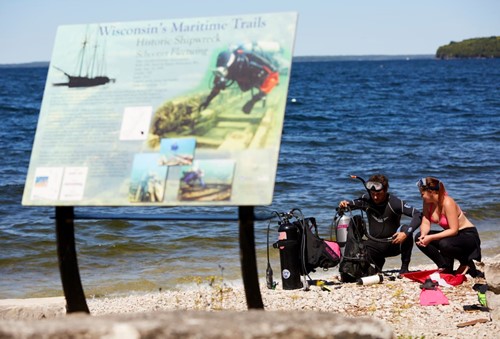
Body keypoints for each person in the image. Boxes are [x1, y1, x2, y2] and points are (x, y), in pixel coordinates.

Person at [339, 174, 422, 275]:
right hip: (374, 246)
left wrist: (405, 233)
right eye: (372, 193)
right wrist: (344, 205)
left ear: (386, 190)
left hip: (394, 244)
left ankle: (404, 268)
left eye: (379, 194)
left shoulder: (394, 202)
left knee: (406, 229)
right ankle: (376, 265)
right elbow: (351, 204)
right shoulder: (366, 199)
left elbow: (418, 214)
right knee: (355, 229)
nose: (375, 197)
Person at [414, 177, 482, 277]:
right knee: (418, 237)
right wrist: (424, 235)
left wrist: (431, 237)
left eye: (422, 194)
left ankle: (466, 262)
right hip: (452, 236)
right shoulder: (427, 203)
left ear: (431, 191)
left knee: (444, 244)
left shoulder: (447, 202)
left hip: (467, 236)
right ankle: (444, 266)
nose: (421, 196)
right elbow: (426, 221)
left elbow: (454, 230)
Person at [199, 46, 279, 114]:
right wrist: (207, 101)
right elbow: (217, 86)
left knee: (266, 85)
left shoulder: (251, 65)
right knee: (241, 86)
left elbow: (274, 75)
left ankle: (261, 95)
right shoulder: (225, 70)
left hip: (258, 79)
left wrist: (253, 101)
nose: (225, 75)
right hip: (248, 81)